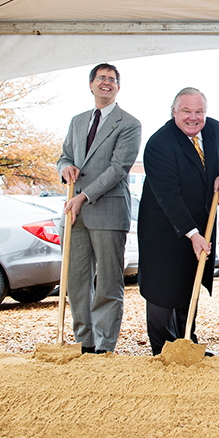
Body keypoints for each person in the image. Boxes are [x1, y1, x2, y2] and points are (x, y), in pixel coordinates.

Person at [137, 88, 219, 355]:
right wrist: (192, 234)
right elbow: (170, 196)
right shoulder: (160, 144)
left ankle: (187, 344)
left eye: (199, 111)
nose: (193, 117)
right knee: (163, 291)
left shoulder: (213, 130)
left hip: (201, 225)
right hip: (165, 229)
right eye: (186, 111)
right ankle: (164, 351)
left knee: (189, 284)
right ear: (174, 112)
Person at [57, 63, 141, 354]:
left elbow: (118, 168)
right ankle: (85, 341)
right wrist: (65, 167)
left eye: (112, 79)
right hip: (74, 212)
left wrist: (84, 197)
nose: (106, 83)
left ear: (118, 87)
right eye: (101, 78)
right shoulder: (77, 121)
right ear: (90, 85)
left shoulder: (129, 124)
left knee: (107, 283)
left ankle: (104, 346)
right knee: (77, 282)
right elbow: (64, 156)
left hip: (108, 212)